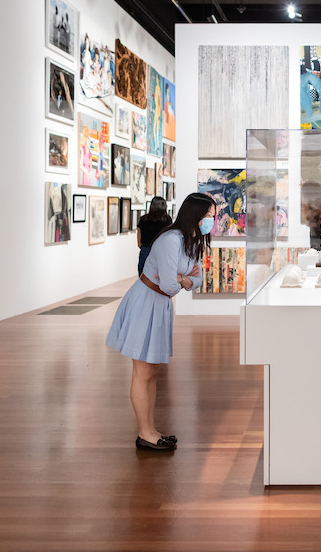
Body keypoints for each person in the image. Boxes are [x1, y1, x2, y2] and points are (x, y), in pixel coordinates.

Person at [106, 193, 216, 451]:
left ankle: (150, 429)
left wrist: (183, 278)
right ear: (195, 215)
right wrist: (183, 278)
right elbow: (169, 283)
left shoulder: (191, 241)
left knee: (152, 372)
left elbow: (198, 279)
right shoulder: (171, 240)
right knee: (143, 372)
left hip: (160, 304)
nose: (212, 221)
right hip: (146, 302)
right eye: (209, 216)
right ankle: (145, 433)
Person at [136, 197, 172, 275]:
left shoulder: (143, 219)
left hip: (145, 250)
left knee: (143, 278)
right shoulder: (167, 219)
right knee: (160, 278)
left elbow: (139, 240)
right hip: (162, 251)